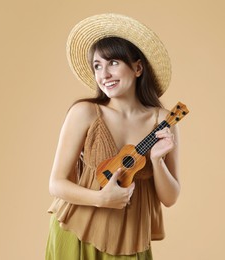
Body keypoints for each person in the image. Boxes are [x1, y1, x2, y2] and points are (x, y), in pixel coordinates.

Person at [45, 13, 180, 260]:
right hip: (75, 231)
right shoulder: (85, 113)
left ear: (138, 67)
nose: (104, 74)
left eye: (113, 63)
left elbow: (170, 198)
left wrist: (158, 161)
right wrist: (100, 198)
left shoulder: (162, 120)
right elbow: (56, 183)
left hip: (129, 239)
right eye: (98, 65)